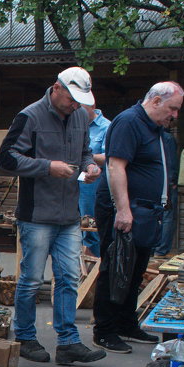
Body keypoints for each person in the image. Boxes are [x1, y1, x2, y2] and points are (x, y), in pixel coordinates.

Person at [0, 67, 106, 366]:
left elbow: (85, 152)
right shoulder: (30, 116)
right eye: (72, 99)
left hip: (70, 214)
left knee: (69, 278)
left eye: (79, 101)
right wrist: (47, 167)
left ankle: (68, 342)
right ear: (56, 88)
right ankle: (25, 337)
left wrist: (90, 167)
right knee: (31, 279)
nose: (75, 105)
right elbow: (6, 157)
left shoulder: (81, 117)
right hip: (36, 214)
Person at [92, 81, 184, 354]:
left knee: (134, 270)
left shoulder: (155, 128)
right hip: (124, 208)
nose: (175, 115)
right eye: (172, 109)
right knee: (115, 267)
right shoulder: (129, 121)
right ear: (155, 101)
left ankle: (126, 323)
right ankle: (105, 329)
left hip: (146, 211)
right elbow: (115, 166)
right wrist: (123, 209)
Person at [78, 103, 110, 257]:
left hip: (93, 187)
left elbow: (109, 158)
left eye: (80, 108)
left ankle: (95, 272)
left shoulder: (106, 127)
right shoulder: (74, 124)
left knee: (92, 230)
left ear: (92, 106)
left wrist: (85, 156)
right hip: (72, 185)